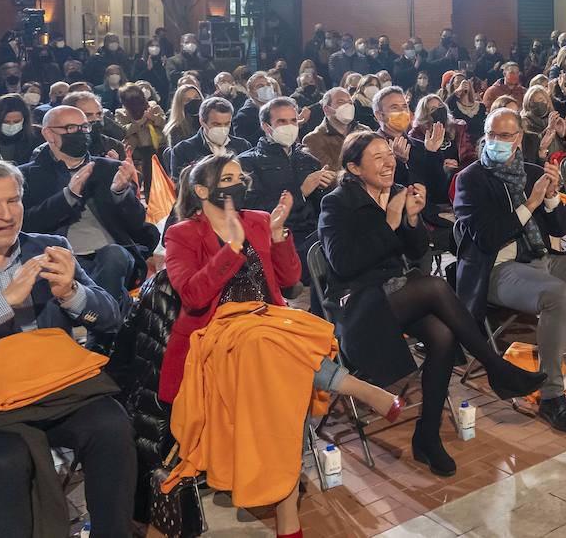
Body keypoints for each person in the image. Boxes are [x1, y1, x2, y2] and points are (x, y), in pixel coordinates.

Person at [162, 154, 401, 533]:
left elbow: (291, 280)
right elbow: (192, 295)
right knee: (267, 343)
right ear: (203, 190)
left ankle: (286, 516)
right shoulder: (182, 234)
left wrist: (277, 237)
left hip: (269, 323)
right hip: (217, 335)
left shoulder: (256, 219)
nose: (238, 185)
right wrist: (231, 249)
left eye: (240, 177)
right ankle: (356, 387)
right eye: (227, 179)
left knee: (274, 370)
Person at [317, 131, 545, 475]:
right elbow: (344, 264)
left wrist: (411, 220)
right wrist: (391, 222)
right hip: (358, 306)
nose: (388, 162)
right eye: (377, 157)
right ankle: (497, 371)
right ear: (353, 167)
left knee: (442, 334)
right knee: (436, 288)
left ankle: (427, 437)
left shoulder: (395, 193)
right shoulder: (336, 202)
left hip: (397, 294)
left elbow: (417, 253)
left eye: (388, 155)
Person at [0, 158, 135, 537]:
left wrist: (72, 293)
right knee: (7, 458)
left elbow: (111, 318)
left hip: (54, 387)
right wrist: (3, 302)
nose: (6, 214)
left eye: (14, 200)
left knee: (110, 423)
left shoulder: (50, 247)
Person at [453, 108, 566, 434]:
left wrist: (550, 199)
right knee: (558, 294)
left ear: (519, 138)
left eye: (505, 136)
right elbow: (487, 238)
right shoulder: (470, 180)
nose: (497, 141)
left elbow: (561, 226)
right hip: (497, 268)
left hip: (540, 258)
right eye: (492, 134)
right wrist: (530, 204)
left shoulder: (532, 172)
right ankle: (551, 395)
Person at [20, 105, 159, 314]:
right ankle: (107, 320)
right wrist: (68, 196)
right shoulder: (28, 176)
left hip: (110, 252)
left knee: (114, 256)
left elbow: (138, 223)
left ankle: (102, 323)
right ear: (48, 133)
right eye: (70, 128)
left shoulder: (109, 168)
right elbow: (28, 224)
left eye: (84, 128)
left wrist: (121, 194)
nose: (81, 134)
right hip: (60, 256)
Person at [238, 97, 331, 289]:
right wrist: (301, 192)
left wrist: (325, 187)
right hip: (280, 241)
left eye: (293, 121)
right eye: (281, 121)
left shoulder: (308, 159)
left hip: (314, 235)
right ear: (266, 126)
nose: (289, 126)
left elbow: (321, 208)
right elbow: (252, 210)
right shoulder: (247, 163)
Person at [168, 96, 249, 179]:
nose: (222, 129)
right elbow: (180, 186)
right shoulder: (183, 150)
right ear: (202, 122)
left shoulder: (242, 146)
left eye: (226, 124)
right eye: (216, 124)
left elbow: (249, 179)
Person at [112, 83, 166, 197]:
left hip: (160, 145)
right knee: (149, 176)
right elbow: (123, 130)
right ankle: (150, 198)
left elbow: (165, 123)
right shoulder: (121, 113)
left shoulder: (153, 106)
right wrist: (141, 121)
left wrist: (153, 118)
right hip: (140, 149)